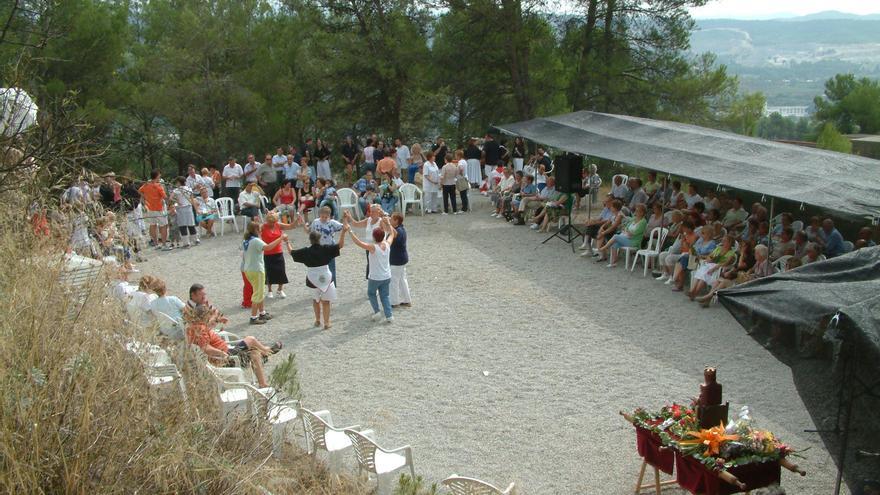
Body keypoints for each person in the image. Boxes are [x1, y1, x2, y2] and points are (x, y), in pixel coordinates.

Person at [184, 304, 280, 389]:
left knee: (255, 353)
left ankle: (263, 382)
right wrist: (221, 353)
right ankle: (267, 352)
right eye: (210, 315)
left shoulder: (195, 327)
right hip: (226, 358)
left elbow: (206, 339)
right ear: (205, 317)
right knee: (250, 339)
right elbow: (205, 348)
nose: (211, 318)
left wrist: (217, 320)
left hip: (226, 354)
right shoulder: (200, 329)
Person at [289, 226, 348, 329]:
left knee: (316, 300)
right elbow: (340, 245)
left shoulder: (306, 251)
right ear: (319, 238)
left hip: (312, 278)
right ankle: (327, 322)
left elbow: (291, 252)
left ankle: (317, 320)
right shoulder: (326, 248)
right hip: (326, 276)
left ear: (310, 239)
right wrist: (343, 232)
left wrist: (286, 242)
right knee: (326, 301)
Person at [346, 216, 397, 323]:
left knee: (371, 293)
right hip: (386, 276)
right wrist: (388, 224)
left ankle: (377, 312)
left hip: (375, 277)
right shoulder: (387, 244)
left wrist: (350, 231)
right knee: (385, 296)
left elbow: (358, 242)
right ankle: (389, 315)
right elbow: (392, 234)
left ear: (374, 237)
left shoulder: (373, 247)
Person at [242, 221, 288, 324]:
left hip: (248, 269)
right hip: (257, 270)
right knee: (257, 294)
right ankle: (253, 317)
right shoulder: (256, 241)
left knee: (259, 291)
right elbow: (268, 247)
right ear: (255, 230)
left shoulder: (246, 240)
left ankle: (262, 313)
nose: (261, 230)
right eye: (259, 229)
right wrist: (280, 238)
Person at [689, 234, 737, 300]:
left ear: (730, 243)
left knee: (703, 274)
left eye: (724, 241)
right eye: (722, 240)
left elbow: (726, 263)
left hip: (717, 269)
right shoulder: (718, 248)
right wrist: (710, 259)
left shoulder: (731, 253)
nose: (722, 242)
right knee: (702, 273)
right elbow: (710, 256)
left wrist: (714, 268)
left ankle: (693, 292)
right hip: (710, 265)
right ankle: (693, 291)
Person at [262, 212, 297, 299]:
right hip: (267, 253)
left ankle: (280, 289)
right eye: (270, 222)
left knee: (281, 271)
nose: (272, 224)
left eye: (274, 222)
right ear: (267, 221)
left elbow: (291, 226)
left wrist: (297, 220)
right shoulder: (263, 226)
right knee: (269, 272)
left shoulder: (278, 225)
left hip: (278, 252)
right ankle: (269, 290)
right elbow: (253, 231)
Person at [305, 206, 344, 282]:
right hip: (318, 247)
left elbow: (343, 227)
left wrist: (345, 219)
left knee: (331, 268)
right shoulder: (316, 222)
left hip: (330, 247)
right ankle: (321, 284)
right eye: (322, 217)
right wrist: (303, 224)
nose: (324, 219)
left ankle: (332, 284)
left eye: (326, 217)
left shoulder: (332, 223)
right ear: (319, 215)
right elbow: (309, 231)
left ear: (329, 216)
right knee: (319, 268)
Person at [138, 169, 170, 250]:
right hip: (159, 208)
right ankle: (164, 245)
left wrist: (146, 197)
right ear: (157, 176)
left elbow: (139, 191)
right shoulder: (158, 185)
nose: (160, 177)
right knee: (163, 225)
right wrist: (170, 202)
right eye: (159, 175)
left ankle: (156, 244)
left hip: (150, 208)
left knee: (153, 225)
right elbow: (165, 197)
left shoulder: (146, 184)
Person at [388, 212, 411, 308]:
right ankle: (407, 300)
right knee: (402, 280)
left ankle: (394, 302)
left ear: (396, 221)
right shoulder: (401, 229)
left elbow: (393, 233)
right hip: (401, 259)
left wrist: (387, 224)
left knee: (394, 282)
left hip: (396, 260)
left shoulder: (399, 231)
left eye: (391, 219)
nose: (390, 220)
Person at [170, 176, 199, 247]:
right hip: (189, 208)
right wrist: (196, 209)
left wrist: (177, 201)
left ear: (179, 182)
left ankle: (186, 243)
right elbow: (192, 200)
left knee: (182, 226)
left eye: (177, 182)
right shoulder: (189, 189)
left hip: (181, 209)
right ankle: (195, 240)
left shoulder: (176, 190)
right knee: (191, 224)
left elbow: (170, 198)